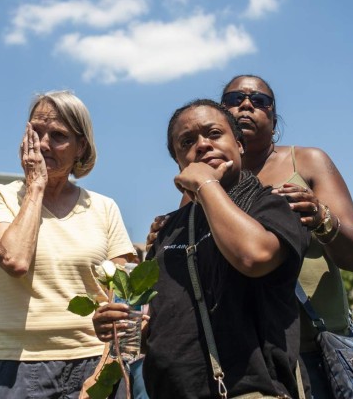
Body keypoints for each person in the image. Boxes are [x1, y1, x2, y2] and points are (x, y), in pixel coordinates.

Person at [147, 75, 353, 398]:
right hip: (239, 353)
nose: (247, 104)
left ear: (273, 119)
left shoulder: (306, 162)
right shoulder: (203, 182)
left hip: (310, 343)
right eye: (235, 99)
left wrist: (322, 218)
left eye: (260, 100)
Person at [94, 99, 310, 398]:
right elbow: (169, 328)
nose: (203, 145)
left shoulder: (274, 204)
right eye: (187, 141)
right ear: (179, 162)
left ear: (239, 144)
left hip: (246, 390)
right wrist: (122, 330)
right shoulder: (169, 229)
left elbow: (254, 257)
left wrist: (207, 184)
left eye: (213, 134)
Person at [0, 90, 135, 398]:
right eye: (36, 132)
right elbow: (15, 259)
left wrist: (112, 355)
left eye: (58, 136)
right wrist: (35, 186)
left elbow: (124, 291)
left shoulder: (104, 207)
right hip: (18, 363)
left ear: (80, 147)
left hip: (94, 360)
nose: (43, 144)